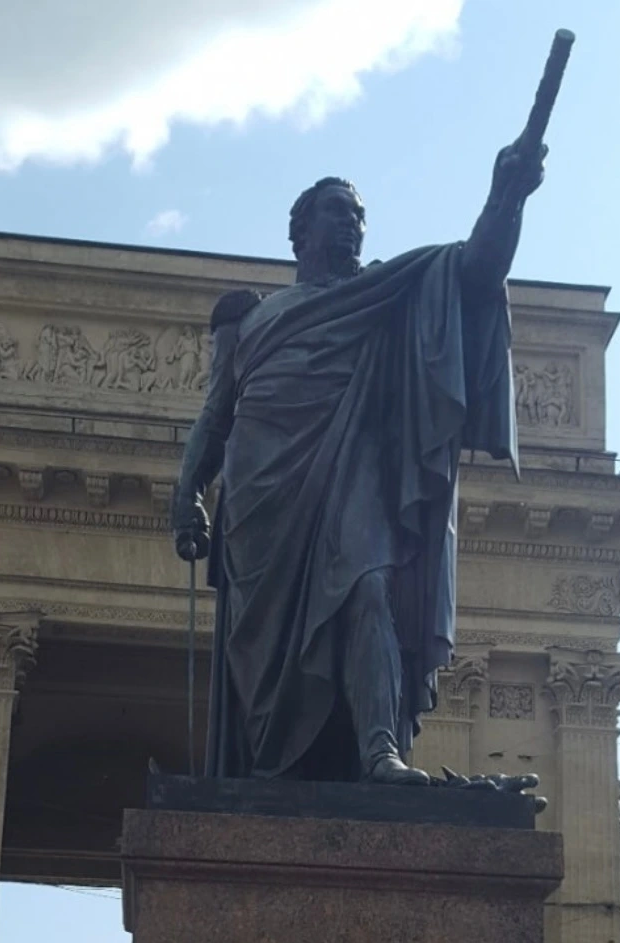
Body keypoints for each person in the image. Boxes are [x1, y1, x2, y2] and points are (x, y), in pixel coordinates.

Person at [173, 136, 547, 785]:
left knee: (368, 585)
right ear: (300, 231)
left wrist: (505, 196)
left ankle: (380, 751)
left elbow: (476, 271)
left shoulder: (386, 295)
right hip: (262, 497)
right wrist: (186, 494)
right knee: (262, 663)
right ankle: (273, 764)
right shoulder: (250, 317)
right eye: (337, 211)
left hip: (352, 469)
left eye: (360, 215)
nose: (352, 223)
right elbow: (216, 412)